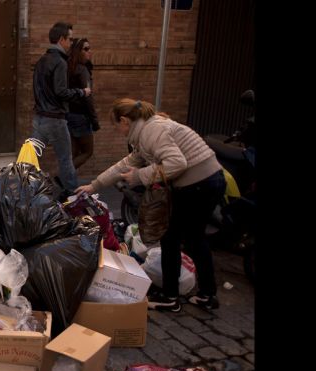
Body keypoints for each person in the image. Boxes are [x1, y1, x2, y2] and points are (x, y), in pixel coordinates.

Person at [76, 99, 226, 313]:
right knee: (194, 238)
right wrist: (94, 185)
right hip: (209, 180)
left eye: (117, 126)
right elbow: (125, 164)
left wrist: (138, 176)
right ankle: (207, 295)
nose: (119, 132)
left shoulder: (151, 130)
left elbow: (177, 163)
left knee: (171, 237)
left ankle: (170, 297)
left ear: (125, 121)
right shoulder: (146, 131)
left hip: (198, 185)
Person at [32, 22, 91, 194]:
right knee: (65, 159)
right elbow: (61, 92)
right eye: (70, 39)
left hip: (39, 118)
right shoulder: (60, 62)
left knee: (32, 157)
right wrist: (82, 92)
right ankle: (75, 196)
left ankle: (23, 189)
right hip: (55, 119)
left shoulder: (41, 60)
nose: (72, 43)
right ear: (61, 39)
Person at [66, 38, 100, 169]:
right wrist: (94, 120)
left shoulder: (68, 67)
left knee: (74, 152)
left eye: (89, 48)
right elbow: (88, 97)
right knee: (87, 151)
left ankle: (66, 182)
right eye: (86, 49)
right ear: (77, 51)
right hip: (80, 116)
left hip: (69, 115)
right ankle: (62, 176)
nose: (89, 51)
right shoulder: (82, 70)